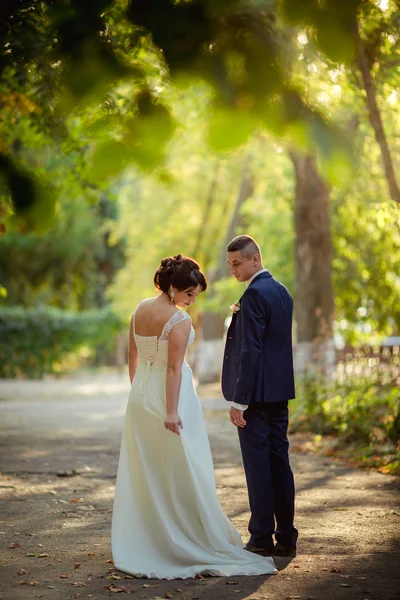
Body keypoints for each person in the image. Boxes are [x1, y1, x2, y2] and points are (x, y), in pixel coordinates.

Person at [112, 254, 276, 579]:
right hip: (171, 397)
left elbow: (133, 355)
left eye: (195, 296)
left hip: (142, 394)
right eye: (189, 294)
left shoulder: (139, 310)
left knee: (149, 467)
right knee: (182, 464)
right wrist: (171, 411)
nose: (191, 301)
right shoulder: (177, 321)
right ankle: (181, 536)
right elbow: (173, 368)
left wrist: (137, 390)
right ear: (173, 288)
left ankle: (151, 536)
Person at [222, 235, 298, 557]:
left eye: (237, 263)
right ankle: (287, 538)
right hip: (279, 394)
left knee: (258, 466)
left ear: (255, 259)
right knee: (279, 462)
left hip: (255, 397)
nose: (233, 270)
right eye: (230, 265)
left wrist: (240, 400)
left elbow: (251, 350)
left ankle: (261, 538)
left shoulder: (253, 295)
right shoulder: (283, 292)